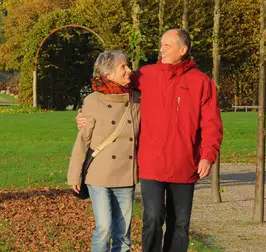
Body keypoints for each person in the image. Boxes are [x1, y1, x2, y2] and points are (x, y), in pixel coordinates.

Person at [76, 29, 223, 252]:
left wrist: (207, 156)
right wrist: (86, 113)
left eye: (167, 45)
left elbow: (212, 123)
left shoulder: (201, 82)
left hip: (185, 165)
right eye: (161, 44)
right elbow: (111, 87)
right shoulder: (146, 75)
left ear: (183, 50)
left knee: (180, 224)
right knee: (153, 218)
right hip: (151, 165)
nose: (161, 49)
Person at [68, 50, 140, 252]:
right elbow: (83, 139)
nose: (129, 70)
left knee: (123, 233)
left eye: (127, 65)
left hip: (126, 175)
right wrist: (74, 175)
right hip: (98, 175)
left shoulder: (136, 99)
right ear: (108, 74)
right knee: (104, 228)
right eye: (123, 67)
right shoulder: (92, 100)